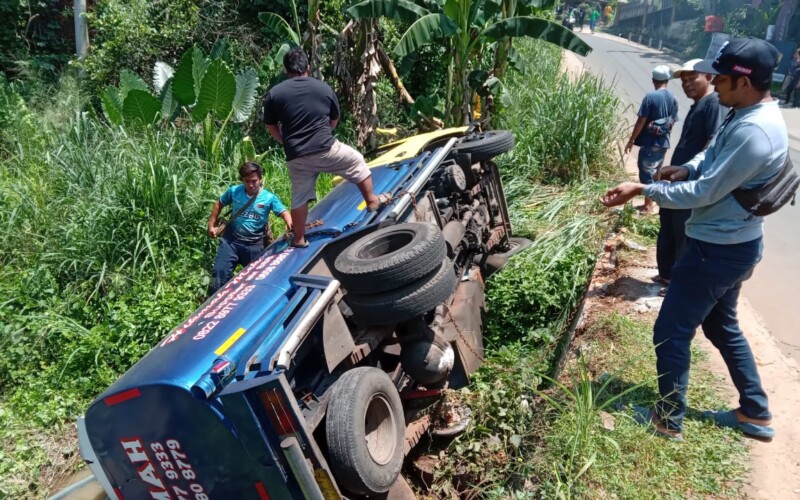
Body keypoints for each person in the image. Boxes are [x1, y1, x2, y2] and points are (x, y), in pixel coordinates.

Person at [601, 37, 786, 441]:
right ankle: (755, 412)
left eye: (720, 77)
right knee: (722, 328)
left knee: (670, 332)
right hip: (730, 243)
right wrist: (684, 169)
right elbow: (712, 156)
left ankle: (668, 421)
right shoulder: (742, 113)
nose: (713, 83)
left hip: (715, 251)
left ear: (744, 81)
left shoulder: (756, 131)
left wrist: (642, 189)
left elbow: (705, 193)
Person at [263, 48, 389, 248]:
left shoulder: (275, 93)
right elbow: (334, 119)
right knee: (356, 160)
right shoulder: (322, 88)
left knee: (299, 196)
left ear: (286, 70)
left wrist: (284, 141)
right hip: (326, 148)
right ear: (308, 67)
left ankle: (299, 239)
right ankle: (372, 201)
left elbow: (271, 125)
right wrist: (324, 135)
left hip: (296, 156)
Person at [653, 59, 727, 289]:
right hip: (676, 179)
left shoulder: (713, 103)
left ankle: (678, 281)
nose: (687, 84)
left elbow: (711, 144)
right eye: (683, 81)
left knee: (682, 231)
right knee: (668, 225)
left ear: (709, 77)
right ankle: (666, 274)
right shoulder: (698, 104)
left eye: (692, 78)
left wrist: (690, 173)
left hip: (688, 181)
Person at [207, 161, 293, 295]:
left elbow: (283, 211)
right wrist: (211, 225)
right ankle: (209, 304)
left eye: (254, 181)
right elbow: (219, 203)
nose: (251, 185)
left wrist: (289, 222)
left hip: (254, 245)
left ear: (260, 179)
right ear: (242, 180)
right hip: (231, 242)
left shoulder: (269, 198)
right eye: (247, 181)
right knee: (219, 274)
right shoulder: (234, 191)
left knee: (255, 282)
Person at [624, 65, 679, 213]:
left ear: (653, 80)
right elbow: (672, 122)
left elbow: (641, 120)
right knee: (656, 175)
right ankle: (653, 204)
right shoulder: (674, 98)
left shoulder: (650, 97)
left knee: (647, 175)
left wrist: (631, 140)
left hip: (650, 143)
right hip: (663, 144)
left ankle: (648, 206)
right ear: (668, 80)